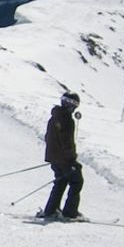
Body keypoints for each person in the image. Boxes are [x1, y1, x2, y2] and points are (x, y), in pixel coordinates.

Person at [38, 92, 84, 221]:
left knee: (61, 181)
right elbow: (67, 142)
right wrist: (72, 160)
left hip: (55, 158)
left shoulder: (55, 116)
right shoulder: (67, 120)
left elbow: (48, 137)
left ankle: (51, 210)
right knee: (77, 181)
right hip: (64, 159)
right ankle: (70, 212)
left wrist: (54, 157)